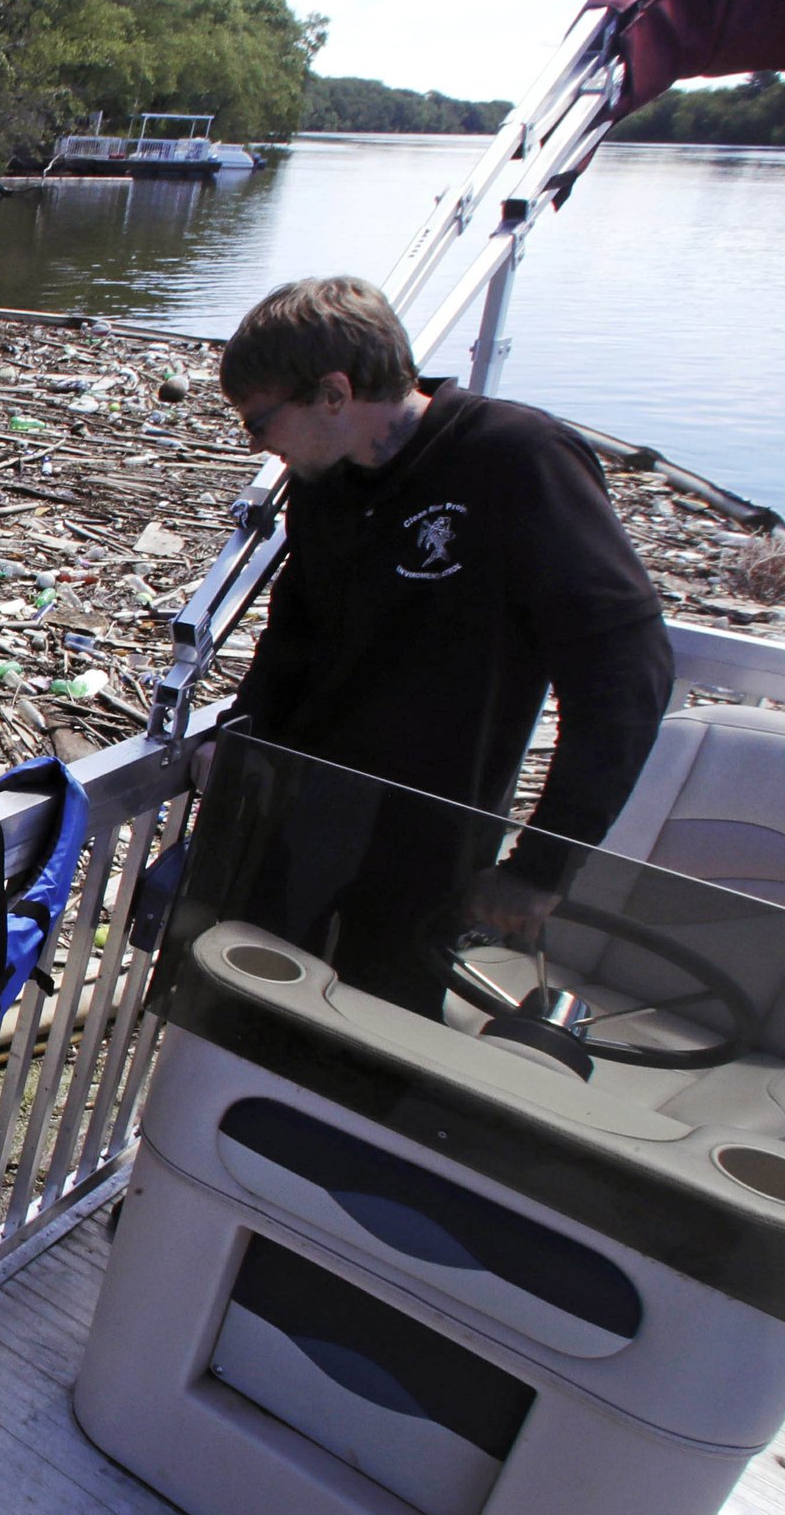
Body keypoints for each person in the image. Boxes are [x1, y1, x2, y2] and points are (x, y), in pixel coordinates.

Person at [209, 275, 673, 999]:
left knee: (381, 1025)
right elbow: (293, 634)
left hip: (429, 838)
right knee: (248, 999)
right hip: (301, 816)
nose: (260, 443)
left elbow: (624, 670)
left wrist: (543, 864)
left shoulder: (518, 460)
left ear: (334, 393)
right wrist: (237, 744)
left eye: (259, 421)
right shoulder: (324, 481)